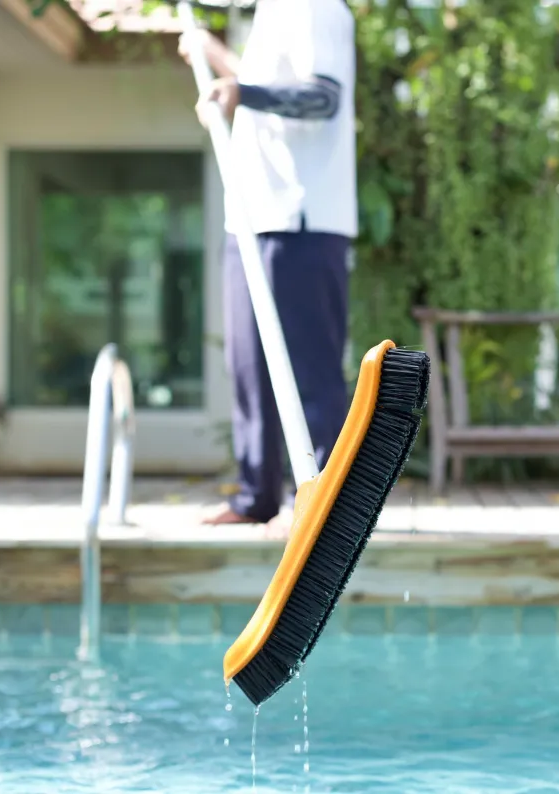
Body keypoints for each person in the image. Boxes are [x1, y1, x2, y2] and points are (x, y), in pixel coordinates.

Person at [181, 0, 358, 530]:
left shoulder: (315, 6)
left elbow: (322, 98)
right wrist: (213, 55)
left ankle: (328, 510)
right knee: (249, 368)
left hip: (300, 217)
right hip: (252, 214)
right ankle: (257, 496)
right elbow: (266, 88)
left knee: (309, 374)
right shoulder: (274, 12)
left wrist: (242, 92)